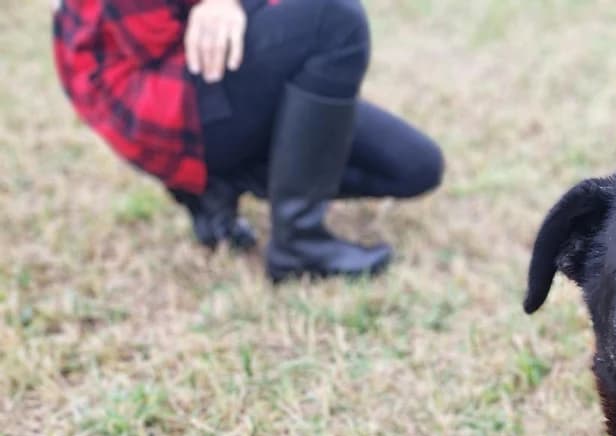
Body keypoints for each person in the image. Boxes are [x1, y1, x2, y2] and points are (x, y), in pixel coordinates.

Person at [52, 0, 444, 281]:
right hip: (157, 94)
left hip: (195, 66)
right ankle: (298, 243)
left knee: (414, 166)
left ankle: (220, 183)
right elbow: (147, 37)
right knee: (333, 18)